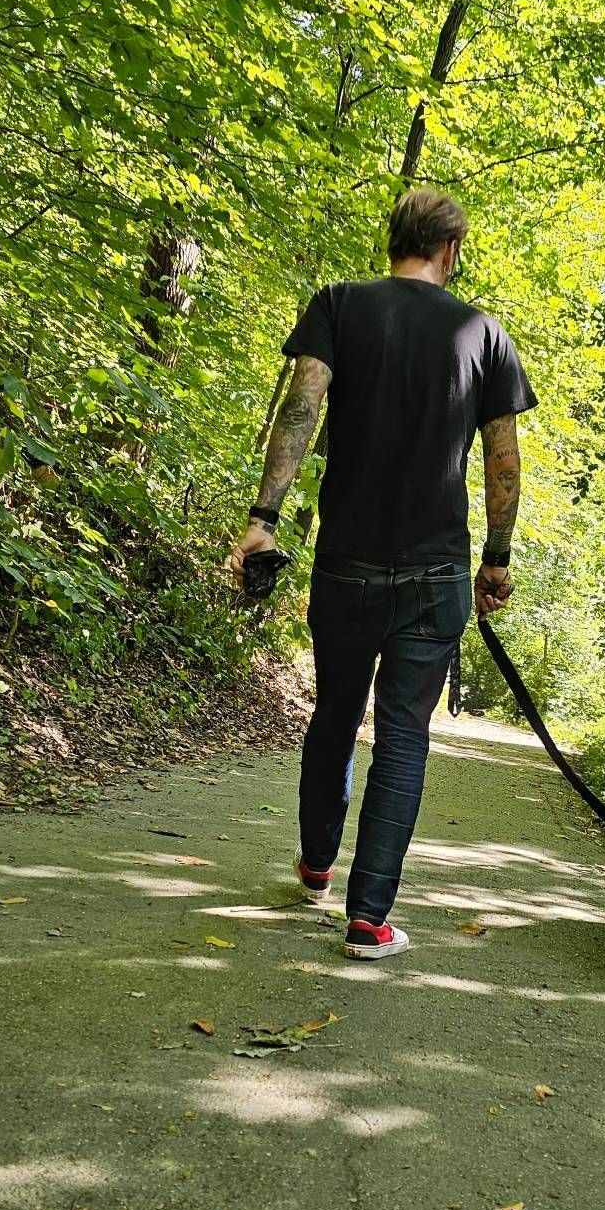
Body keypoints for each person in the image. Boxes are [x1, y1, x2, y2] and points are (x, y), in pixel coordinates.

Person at [229, 188, 537, 959]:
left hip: (345, 565)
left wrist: (263, 518)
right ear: (452, 251)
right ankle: (368, 919)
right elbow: (504, 458)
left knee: (334, 713)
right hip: (436, 574)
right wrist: (495, 558)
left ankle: (314, 866)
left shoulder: (340, 304)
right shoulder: (483, 333)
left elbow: (299, 410)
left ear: (392, 240)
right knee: (403, 737)